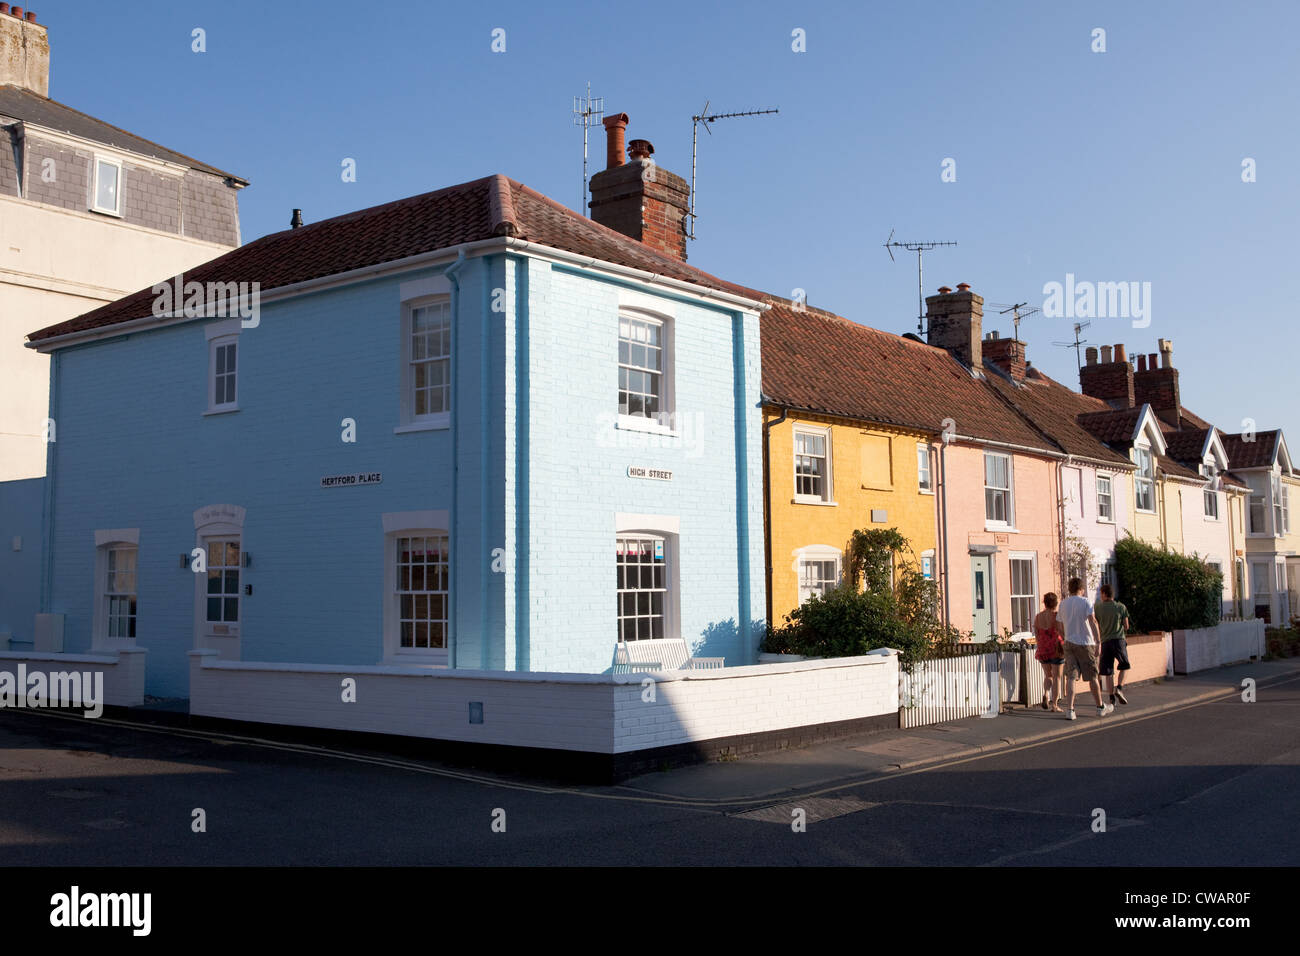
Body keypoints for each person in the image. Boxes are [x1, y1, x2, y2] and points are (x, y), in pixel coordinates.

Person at [1057, 577, 1113, 720]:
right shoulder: (1085, 602)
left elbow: (1059, 625)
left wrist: (1066, 636)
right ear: (1081, 589)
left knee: (1071, 677)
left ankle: (1070, 710)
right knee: (1093, 676)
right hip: (1085, 642)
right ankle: (1100, 707)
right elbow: (1092, 621)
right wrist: (1098, 641)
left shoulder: (1063, 604)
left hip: (1069, 642)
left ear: (1070, 589)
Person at [1094, 583, 1131, 705]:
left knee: (1108, 671)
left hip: (1105, 641)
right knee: (1125, 666)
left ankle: (1111, 697)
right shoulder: (1121, 607)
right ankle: (1119, 688)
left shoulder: (1098, 608)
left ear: (1104, 594)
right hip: (1119, 640)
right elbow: (1126, 626)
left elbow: (1096, 623)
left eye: (1101, 594)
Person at [1033, 593, 1066, 712]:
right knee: (1057, 677)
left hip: (1043, 648)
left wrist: (1041, 643)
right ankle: (1055, 704)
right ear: (1055, 603)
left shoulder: (1038, 617)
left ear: (1044, 602)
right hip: (1056, 648)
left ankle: (1046, 693)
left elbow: (1036, 633)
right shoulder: (1056, 616)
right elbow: (1061, 631)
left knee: (1048, 675)